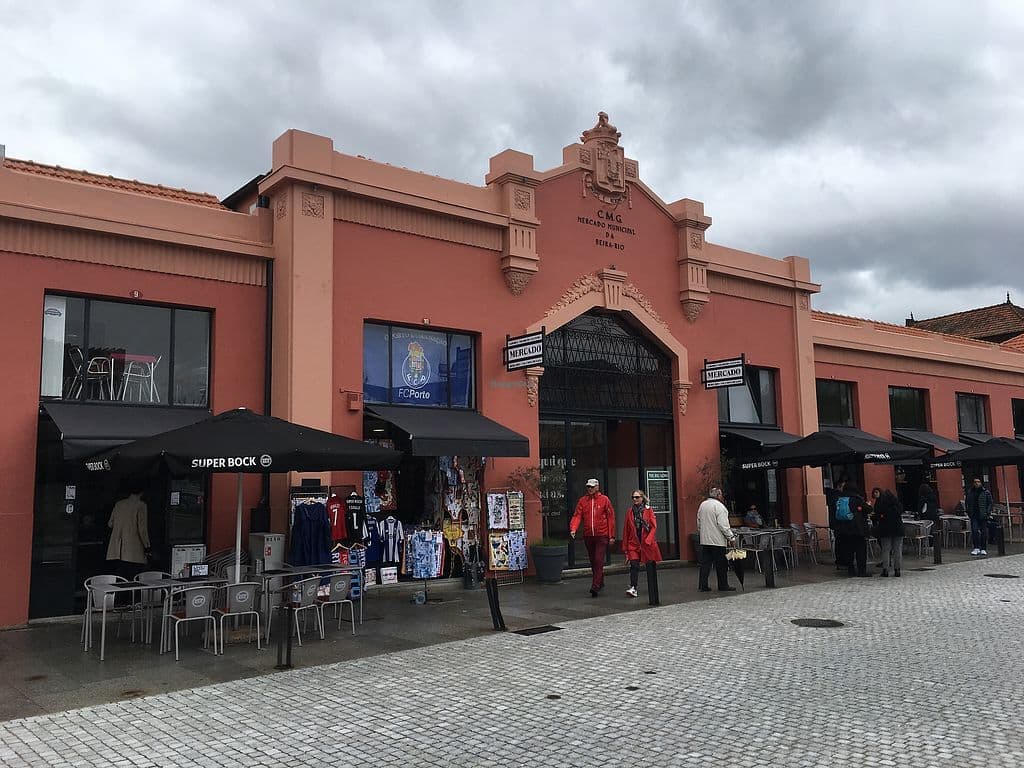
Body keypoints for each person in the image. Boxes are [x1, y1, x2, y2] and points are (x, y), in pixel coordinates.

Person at [570, 478, 616, 597]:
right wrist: (573, 528)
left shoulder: (604, 500)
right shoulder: (583, 501)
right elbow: (577, 516)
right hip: (588, 535)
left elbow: (611, 518)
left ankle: (595, 585)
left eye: (591, 487)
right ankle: (600, 580)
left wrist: (611, 536)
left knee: (598, 559)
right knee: (593, 560)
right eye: (588, 487)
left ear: (597, 487)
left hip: (602, 535)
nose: (589, 489)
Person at [621, 490, 661, 597]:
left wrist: (648, 539)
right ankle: (633, 587)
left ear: (642, 498)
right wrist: (625, 548)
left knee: (650, 565)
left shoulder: (648, 510)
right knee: (634, 564)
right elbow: (626, 530)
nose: (635, 499)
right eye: (633, 497)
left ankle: (652, 587)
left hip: (646, 543)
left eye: (637, 497)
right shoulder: (630, 512)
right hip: (633, 543)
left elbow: (653, 526)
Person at [696, 487, 737, 592]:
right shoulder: (720, 507)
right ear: (718, 495)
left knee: (705, 563)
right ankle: (723, 585)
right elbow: (723, 525)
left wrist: (702, 533)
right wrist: (731, 537)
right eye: (721, 494)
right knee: (721, 564)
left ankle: (703, 585)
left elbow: (699, 522)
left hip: (705, 540)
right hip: (717, 541)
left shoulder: (703, 505)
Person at [106, 488, 151, 581]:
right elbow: (142, 529)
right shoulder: (141, 505)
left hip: (117, 549)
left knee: (120, 579)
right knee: (134, 579)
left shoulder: (119, 504)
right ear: (142, 492)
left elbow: (110, 523)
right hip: (134, 550)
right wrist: (147, 546)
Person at [834, 482, 870, 577]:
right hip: (857, 530)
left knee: (848, 551)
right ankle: (862, 571)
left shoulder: (840, 498)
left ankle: (851, 570)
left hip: (844, 530)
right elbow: (868, 509)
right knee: (860, 551)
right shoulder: (857, 499)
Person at [873, 488, 903, 577]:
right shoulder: (898, 505)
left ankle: (885, 570)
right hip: (898, 529)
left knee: (885, 550)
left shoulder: (882, 504)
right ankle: (897, 570)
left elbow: (877, 516)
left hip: (885, 529)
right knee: (897, 549)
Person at [965, 476, 993, 556]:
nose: (977, 483)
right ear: (973, 483)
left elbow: (990, 503)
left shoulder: (986, 492)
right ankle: (976, 547)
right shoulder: (970, 492)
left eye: (978, 482)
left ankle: (983, 548)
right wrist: (968, 511)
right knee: (974, 531)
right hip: (974, 514)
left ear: (981, 483)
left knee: (983, 532)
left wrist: (987, 512)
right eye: (975, 482)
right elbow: (967, 503)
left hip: (983, 515)